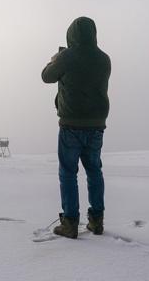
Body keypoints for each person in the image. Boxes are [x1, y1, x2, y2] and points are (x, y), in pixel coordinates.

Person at [41, 16, 111, 239]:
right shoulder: (104, 59)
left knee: (68, 173)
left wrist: (55, 60)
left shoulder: (66, 57)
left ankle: (70, 223)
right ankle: (96, 221)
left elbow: (46, 77)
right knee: (94, 171)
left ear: (71, 35)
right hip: (97, 125)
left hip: (71, 124)